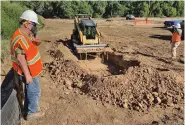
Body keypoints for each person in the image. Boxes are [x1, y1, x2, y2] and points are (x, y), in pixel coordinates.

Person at [10, 10, 44, 121]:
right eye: (33, 24)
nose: (34, 27)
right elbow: (20, 58)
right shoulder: (19, 38)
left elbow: (34, 44)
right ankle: (32, 113)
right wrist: (28, 75)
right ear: (27, 23)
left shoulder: (25, 34)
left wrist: (34, 34)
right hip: (29, 71)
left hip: (31, 70)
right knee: (34, 91)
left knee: (31, 91)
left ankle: (27, 109)